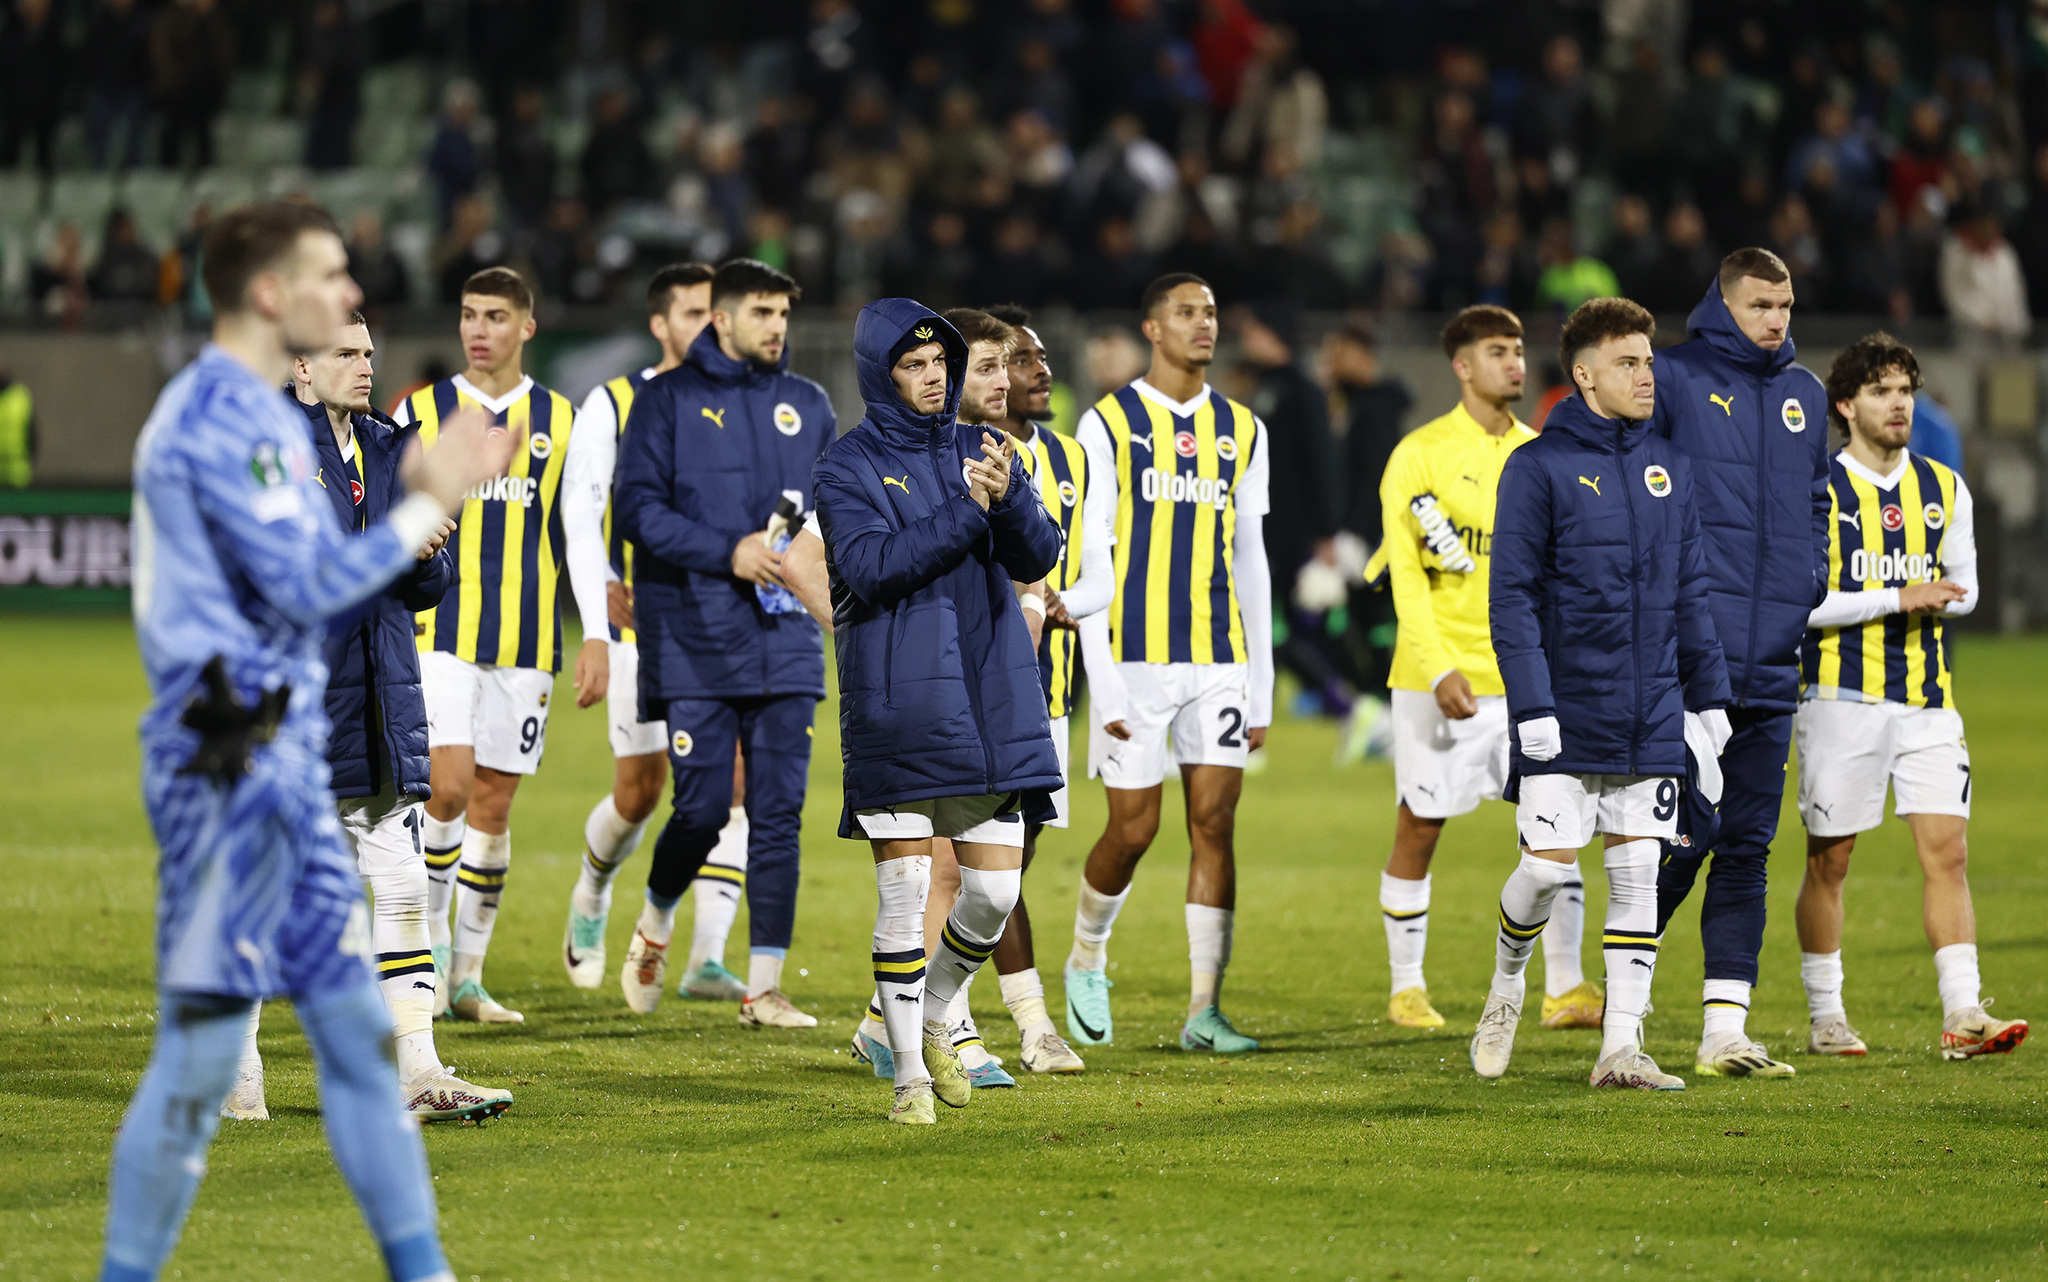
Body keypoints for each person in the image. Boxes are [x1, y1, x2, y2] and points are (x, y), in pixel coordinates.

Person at [107, 199, 514, 1282]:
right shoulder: (212, 424)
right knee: (197, 1068)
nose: (350, 294)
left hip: (283, 750)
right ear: (268, 296)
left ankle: (422, 1268)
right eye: (330, 276)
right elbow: (303, 586)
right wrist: (421, 503)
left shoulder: (278, 427)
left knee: (349, 1041)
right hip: (220, 763)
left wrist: (412, 504)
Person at [222, 312, 513, 1126]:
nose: (363, 366)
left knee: (399, 888)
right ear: (300, 370)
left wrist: (427, 554)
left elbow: (428, 583)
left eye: (368, 353)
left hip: (383, 699)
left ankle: (416, 1070)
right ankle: (237, 1074)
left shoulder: (389, 448)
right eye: (344, 355)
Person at [812, 300, 1064, 1123]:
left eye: (941, 366)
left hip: (992, 699)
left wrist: (1010, 498)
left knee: (992, 897)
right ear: (882, 376)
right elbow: (876, 568)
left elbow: (1038, 553)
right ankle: (908, 1084)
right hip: (900, 706)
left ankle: (917, 1020)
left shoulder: (981, 446)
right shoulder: (844, 467)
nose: (934, 379)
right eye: (915, 367)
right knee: (907, 889)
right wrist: (970, 510)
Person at [1472, 296, 1732, 1091]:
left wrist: (1709, 698)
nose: (1647, 374)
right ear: (1584, 375)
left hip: (1650, 708)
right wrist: (1532, 708)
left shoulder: (1670, 468)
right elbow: (1510, 598)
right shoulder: (1538, 466)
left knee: (1636, 881)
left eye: (1650, 360)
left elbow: (1692, 590)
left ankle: (1620, 1048)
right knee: (1548, 871)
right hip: (1564, 709)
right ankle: (1508, 982)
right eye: (1628, 362)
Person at [1360, 305, 1601, 1032]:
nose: (1516, 364)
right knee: (1421, 825)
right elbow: (1406, 574)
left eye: (1520, 350)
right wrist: (1437, 670)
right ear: (1462, 366)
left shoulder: (1545, 453)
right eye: (1498, 352)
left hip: (1529, 681)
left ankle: (1566, 988)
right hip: (1440, 680)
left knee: (1554, 829)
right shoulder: (1421, 455)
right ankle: (1408, 987)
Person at [613, 259, 836, 1028]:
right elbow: (637, 509)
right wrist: (726, 552)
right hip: (694, 638)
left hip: (785, 641)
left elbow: (827, 518)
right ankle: (655, 919)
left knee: (777, 814)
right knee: (703, 808)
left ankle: (763, 987)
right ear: (724, 320)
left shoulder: (808, 404)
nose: (778, 326)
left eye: (784, 313)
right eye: (763, 312)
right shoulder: (665, 400)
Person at [1793, 333, 2027, 1061]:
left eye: (1905, 390)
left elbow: (1968, 589)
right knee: (1831, 860)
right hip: (1838, 698)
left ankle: (1964, 1012)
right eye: (1882, 392)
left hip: (1928, 700)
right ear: (1846, 405)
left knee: (1947, 854)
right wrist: (1899, 595)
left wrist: (1933, 598)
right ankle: (1826, 1014)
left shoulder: (1943, 487)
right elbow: (1801, 603)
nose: (1899, 404)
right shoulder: (1820, 490)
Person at [1064, 273, 1275, 1055]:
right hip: (1134, 656)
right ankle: (1087, 954)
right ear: (1152, 329)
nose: (1204, 325)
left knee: (1214, 824)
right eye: (1187, 313)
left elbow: (1251, 556)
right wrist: (1103, 673)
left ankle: (1201, 1010)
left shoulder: (1244, 430)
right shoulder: (1107, 424)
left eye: (1212, 312)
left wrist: (1263, 682)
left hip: (1219, 657)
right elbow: (1089, 555)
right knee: (1133, 829)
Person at [1647, 249, 1832, 1079]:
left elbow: (1817, 499)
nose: (1777, 320)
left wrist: (1809, 581)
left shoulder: (1806, 395)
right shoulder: (1674, 379)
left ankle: (1726, 1029)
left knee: (1749, 846)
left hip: (1773, 661)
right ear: (1724, 305)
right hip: (1692, 663)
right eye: (1761, 304)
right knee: (1681, 837)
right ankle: (1625, 1003)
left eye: (1786, 305)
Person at [559, 262, 756, 1006]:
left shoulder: (743, 400)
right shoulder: (614, 402)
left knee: (730, 784)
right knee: (640, 795)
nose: (708, 325)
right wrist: (598, 629)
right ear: (659, 324)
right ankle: (592, 890)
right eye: (694, 313)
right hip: (641, 630)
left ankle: (706, 956)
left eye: (716, 312)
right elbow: (581, 517)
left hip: (723, 626)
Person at [393, 267, 586, 1026]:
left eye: (496, 316)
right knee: (447, 788)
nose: (478, 329)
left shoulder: (562, 421)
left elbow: (584, 528)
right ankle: (429, 963)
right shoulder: (422, 408)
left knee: (494, 807)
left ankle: (468, 977)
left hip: (527, 637)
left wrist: (598, 624)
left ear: (526, 328)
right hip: (438, 630)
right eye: (469, 314)